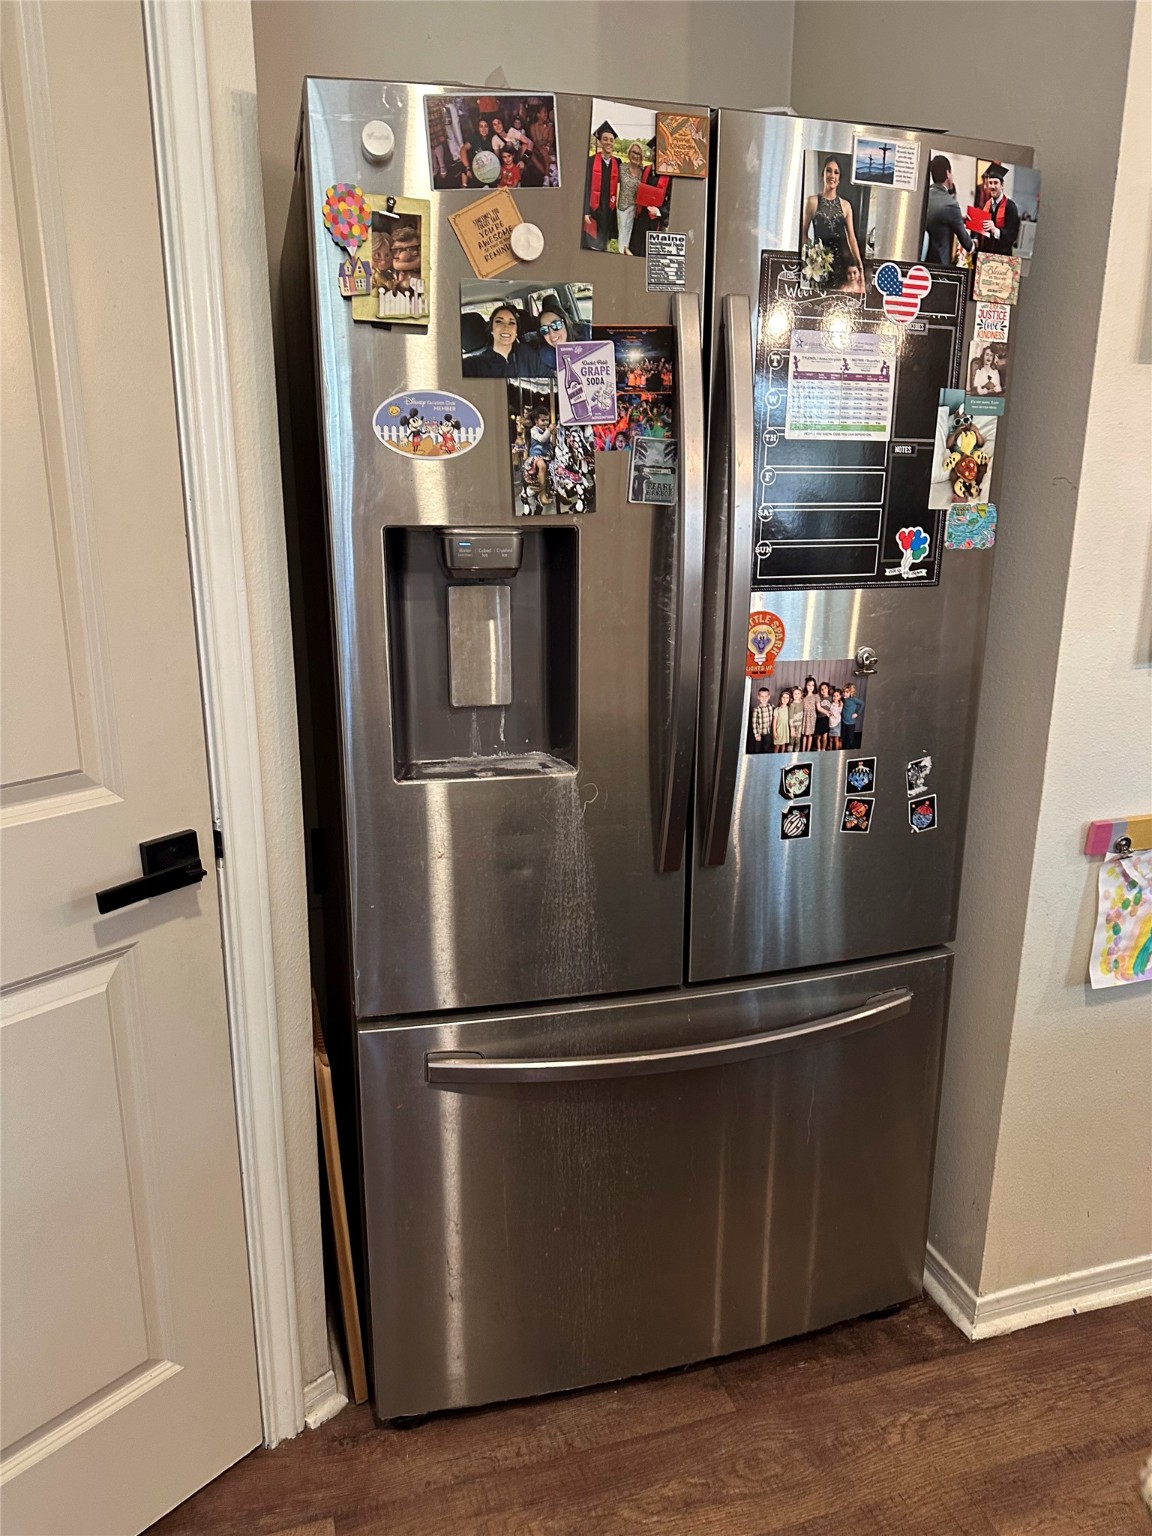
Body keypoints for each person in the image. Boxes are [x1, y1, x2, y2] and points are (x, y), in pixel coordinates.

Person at [801, 157, 864, 290]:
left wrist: (860, 266)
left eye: (836, 172)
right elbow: (803, 233)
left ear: (839, 178)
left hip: (843, 265)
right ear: (823, 174)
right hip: (820, 267)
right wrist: (809, 257)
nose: (832, 175)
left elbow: (852, 239)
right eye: (828, 171)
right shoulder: (812, 202)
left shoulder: (846, 206)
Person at [463, 304, 546, 378]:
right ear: (492, 329)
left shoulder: (528, 354)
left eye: (512, 323)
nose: (506, 327)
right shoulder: (474, 365)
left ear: (516, 332)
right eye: (499, 321)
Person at [924, 154, 974, 266]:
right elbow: (967, 244)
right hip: (940, 265)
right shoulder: (951, 204)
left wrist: (959, 218)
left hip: (921, 262)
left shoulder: (924, 197)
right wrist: (974, 244)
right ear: (947, 173)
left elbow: (936, 218)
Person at [583, 120, 619, 250]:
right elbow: (585, 186)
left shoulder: (618, 163)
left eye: (611, 140)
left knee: (604, 245)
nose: (609, 142)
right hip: (594, 210)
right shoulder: (590, 161)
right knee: (590, 244)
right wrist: (586, 211)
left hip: (609, 210)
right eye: (605, 139)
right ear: (600, 142)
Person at [628, 148, 671, 256]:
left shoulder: (670, 176)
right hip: (640, 219)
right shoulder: (645, 170)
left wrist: (659, 211)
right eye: (654, 150)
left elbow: (672, 200)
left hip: (656, 222)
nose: (656, 154)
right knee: (635, 251)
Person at [975, 162, 1021, 256]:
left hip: (1001, 258)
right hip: (984, 256)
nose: (992, 186)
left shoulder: (1010, 206)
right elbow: (979, 230)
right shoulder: (985, 205)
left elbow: (1012, 235)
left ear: (1002, 185)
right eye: (990, 183)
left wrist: (995, 230)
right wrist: (975, 239)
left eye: (996, 183)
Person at [616, 140, 645, 256]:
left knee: (631, 233)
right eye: (633, 152)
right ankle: (620, 253)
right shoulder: (621, 168)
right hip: (622, 206)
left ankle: (627, 254)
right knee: (622, 232)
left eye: (638, 154)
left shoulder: (643, 172)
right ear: (629, 153)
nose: (635, 155)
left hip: (636, 209)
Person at [533, 304, 571, 374]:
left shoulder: (588, 341)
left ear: (565, 322)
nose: (551, 333)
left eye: (556, 325)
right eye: (544, 329)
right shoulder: (542, 361)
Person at [749, 686, 773, 754]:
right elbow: (754, 723)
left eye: (766, 696)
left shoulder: (771, 707)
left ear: (769, 697)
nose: (764, 698)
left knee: (767, 749)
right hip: (759, 733)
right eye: (762, 696)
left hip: (767, 733)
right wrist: (757, 734)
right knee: (758, 749)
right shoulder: (756, 709)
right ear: (758, 697)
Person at [840, 684, 864, 751]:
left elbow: (862, 703)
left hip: (851, 723)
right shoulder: (843, 700)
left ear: (851, 692)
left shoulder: (854, 699)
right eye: (844, 692)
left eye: (847, 692)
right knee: (843, 738)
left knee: (850, 739)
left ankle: (850, 750)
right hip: (843, 722)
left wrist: (857, 713)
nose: (845, 694)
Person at [800, 676, 818, 752]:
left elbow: (819, 707)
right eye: (809, 685)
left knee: (810, 734)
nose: (810, 687)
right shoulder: (803, 695)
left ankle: (808, 750)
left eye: (812, 685)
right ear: (806, 685)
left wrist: (826, 712)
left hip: (812, 717)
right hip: (804, 716)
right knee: (804, 734)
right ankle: (803, 750)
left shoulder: (816, 696)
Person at [813, 681, 833, 750]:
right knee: (818, 737)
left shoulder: (831, 698)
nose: (824, 690)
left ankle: (823, 749)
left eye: (825, 688)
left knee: (824, 737)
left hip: (826, 719)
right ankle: (818, 750)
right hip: (819, 718)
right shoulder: (819, 698)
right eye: (822, 689)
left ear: (828, 689)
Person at [772, 688, 793, 752]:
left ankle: (782, 758)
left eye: (787, 698)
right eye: (783, 697)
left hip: (785, 729)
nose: (785, 699)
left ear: (789, 699)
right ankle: (775, 758)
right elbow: (774, 721)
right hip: (779, 729)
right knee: (777, 746)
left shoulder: (789, 709)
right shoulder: (777, 709)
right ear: (780, 698)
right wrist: (774, 732)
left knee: (783, 745)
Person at [788, 687, 805, 751]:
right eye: (795, 693)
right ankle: (789, 754)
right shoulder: (792, 705)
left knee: (798, 740)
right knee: (792, 740)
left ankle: (796, 755)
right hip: (793, 725)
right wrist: (792, 728)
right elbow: (790, 717)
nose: (797, 695)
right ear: (792, 695)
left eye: (798, 693)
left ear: (801, 694)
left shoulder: (801, 703)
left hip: (800, 725)